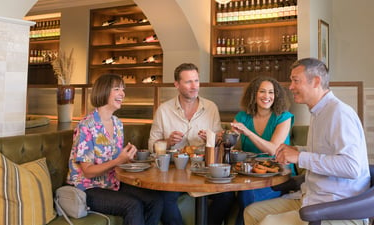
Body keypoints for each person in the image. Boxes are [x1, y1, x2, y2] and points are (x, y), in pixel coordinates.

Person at [244, 58, 370, 225]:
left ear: (316, 81)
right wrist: (297, 150)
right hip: (311, 198)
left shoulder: (339, 113)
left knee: (268, 222)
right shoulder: (319, 113)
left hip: (337, 208)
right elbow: (325, 152)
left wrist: (299, 157)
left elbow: (352, 167)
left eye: (295, 81)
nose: (290, 87)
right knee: (252, 212)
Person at [67, 74, 163, 225]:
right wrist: (119, 160)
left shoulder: (118, 124)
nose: (122, 93)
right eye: (117, 89)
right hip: (88, 189)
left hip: (113, 183)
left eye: (123, 89)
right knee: (132, 206)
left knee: (156, 200)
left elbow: (116, 161)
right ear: (103, 91)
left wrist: (131, 157)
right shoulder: (86, 126)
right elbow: (88, 171)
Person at [208, 76, 294, 225]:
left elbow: (273, 149)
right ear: (253, 94)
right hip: (247, 176)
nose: (267, 96)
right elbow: (229, 148)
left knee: (247, 195)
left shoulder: (283, 117)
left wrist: (248, 132)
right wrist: (218, 139)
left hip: (278, 178)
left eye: (271, 92)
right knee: (224, 194)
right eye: (262, 91)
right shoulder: (242, 117)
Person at [148, 63, 223, 225]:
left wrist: (212, 140)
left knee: (227, 196)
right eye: (189, 82)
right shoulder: (163, 110)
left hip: (205, 170)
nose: (194, 86)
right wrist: (167, 142)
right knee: (164, 198)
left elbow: (220, 141)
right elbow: (151, 146)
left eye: (196, 81)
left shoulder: (211, 108)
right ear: (177, 84)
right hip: (174, 171)